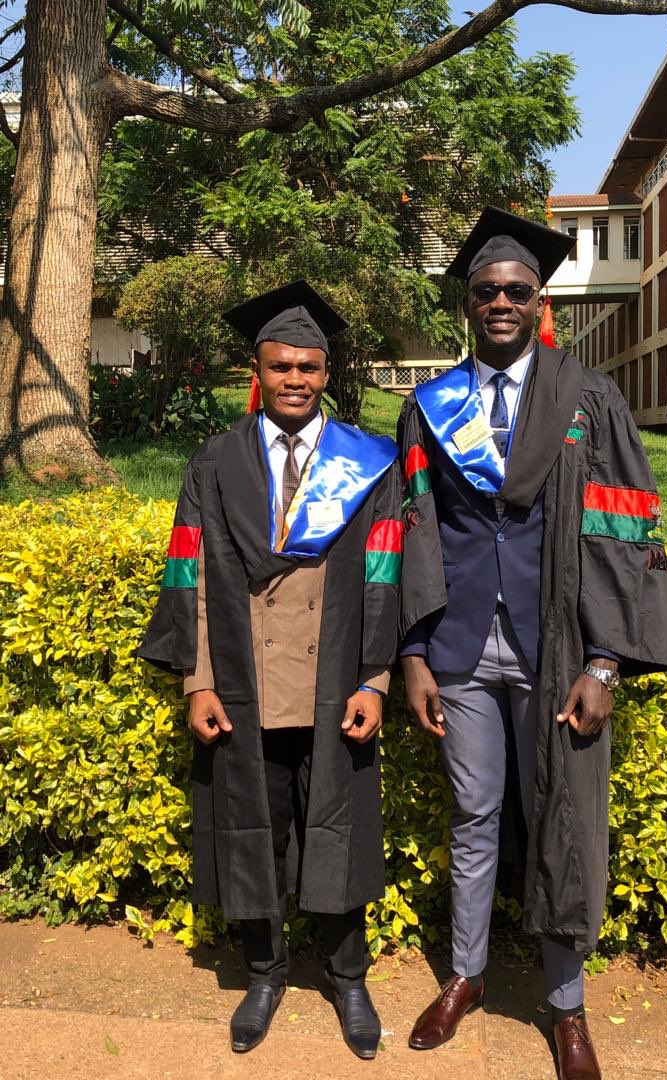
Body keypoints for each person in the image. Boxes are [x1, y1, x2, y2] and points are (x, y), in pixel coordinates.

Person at [398, 208, 667, 1079]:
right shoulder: (429, 408)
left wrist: (605, 661)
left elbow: (624, 527)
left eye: (517, 290)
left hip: (557, 647)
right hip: (460, 647)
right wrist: (413, 652)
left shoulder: (587, 397)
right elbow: (414, 529)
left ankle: (566, 1006)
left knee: (564, 815)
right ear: (468, 301)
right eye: (486, 289)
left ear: (539, 300)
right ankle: (467, 975)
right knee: (474, 816)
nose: (501, 302)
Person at [139, 281, 403, 1061]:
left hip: (334, 681)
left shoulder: (367, 462)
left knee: (338, 826)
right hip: (244, 682)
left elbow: (384, 572)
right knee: (250, 827)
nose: (295, 379)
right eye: (281, 365)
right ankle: (264, 973)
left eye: (308, 367)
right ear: (256, 369)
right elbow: (189, 572)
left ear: (327, 372)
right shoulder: (216, 461)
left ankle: (348, 978)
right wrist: (198, 680)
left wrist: (374, 679)